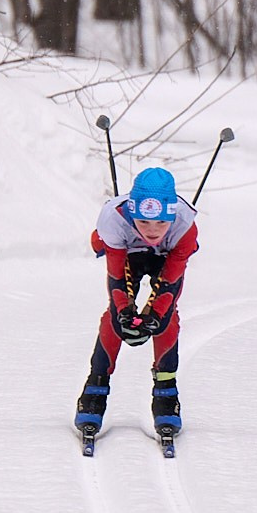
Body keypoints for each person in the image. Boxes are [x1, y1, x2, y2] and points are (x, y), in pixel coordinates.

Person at [75, 166, 198, 446]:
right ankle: (95, 387)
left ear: (172, 217)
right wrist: (124, 312)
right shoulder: (113, 220)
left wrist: (155, 316)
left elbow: (170, 284)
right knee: (115, 318)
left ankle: (166, 390)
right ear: (132, 214)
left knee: (166, 319)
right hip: (126, 254)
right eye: (143, 222)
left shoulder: (185, 226)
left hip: (166, 258)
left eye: (161, 223)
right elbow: (117, 279)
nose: (152, 231)